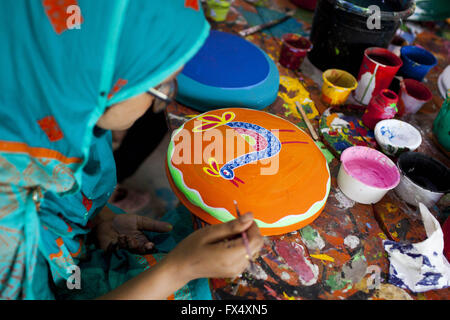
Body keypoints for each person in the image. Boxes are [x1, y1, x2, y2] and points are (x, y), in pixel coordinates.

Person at [0, 0, 263, 300]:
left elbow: (53, 202)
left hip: (73, 259)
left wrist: (95, 219)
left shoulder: (65, 115)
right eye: (160, 86)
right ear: (98, 76)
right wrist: (179, 269)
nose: (159, 102)